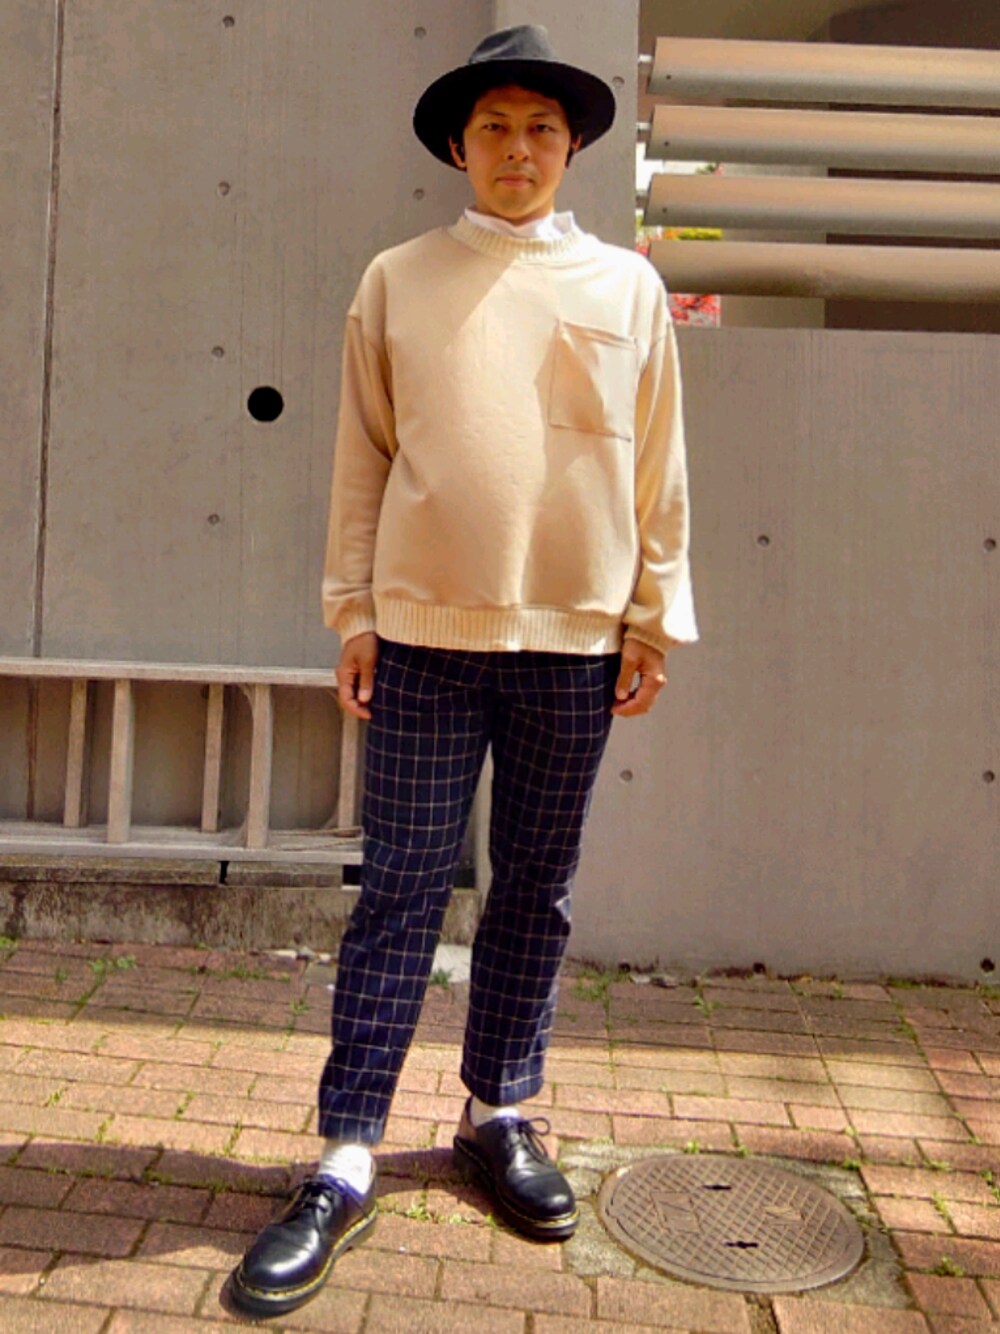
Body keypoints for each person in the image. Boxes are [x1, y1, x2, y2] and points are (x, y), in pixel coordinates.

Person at [230, 23, 698, 1318]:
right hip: (424, 639)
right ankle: (345, 1151)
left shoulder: (628, 291)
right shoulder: (398, 280)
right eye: (494, 127)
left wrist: (652, 619)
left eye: (541, 128)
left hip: (576, 644)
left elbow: (659, 465)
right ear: (458, 145)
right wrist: (353, 611)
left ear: (574, 147)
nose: (517, 149)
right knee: (399, 891)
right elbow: (362, 457)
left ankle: (500, 1111)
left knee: (535, 889)